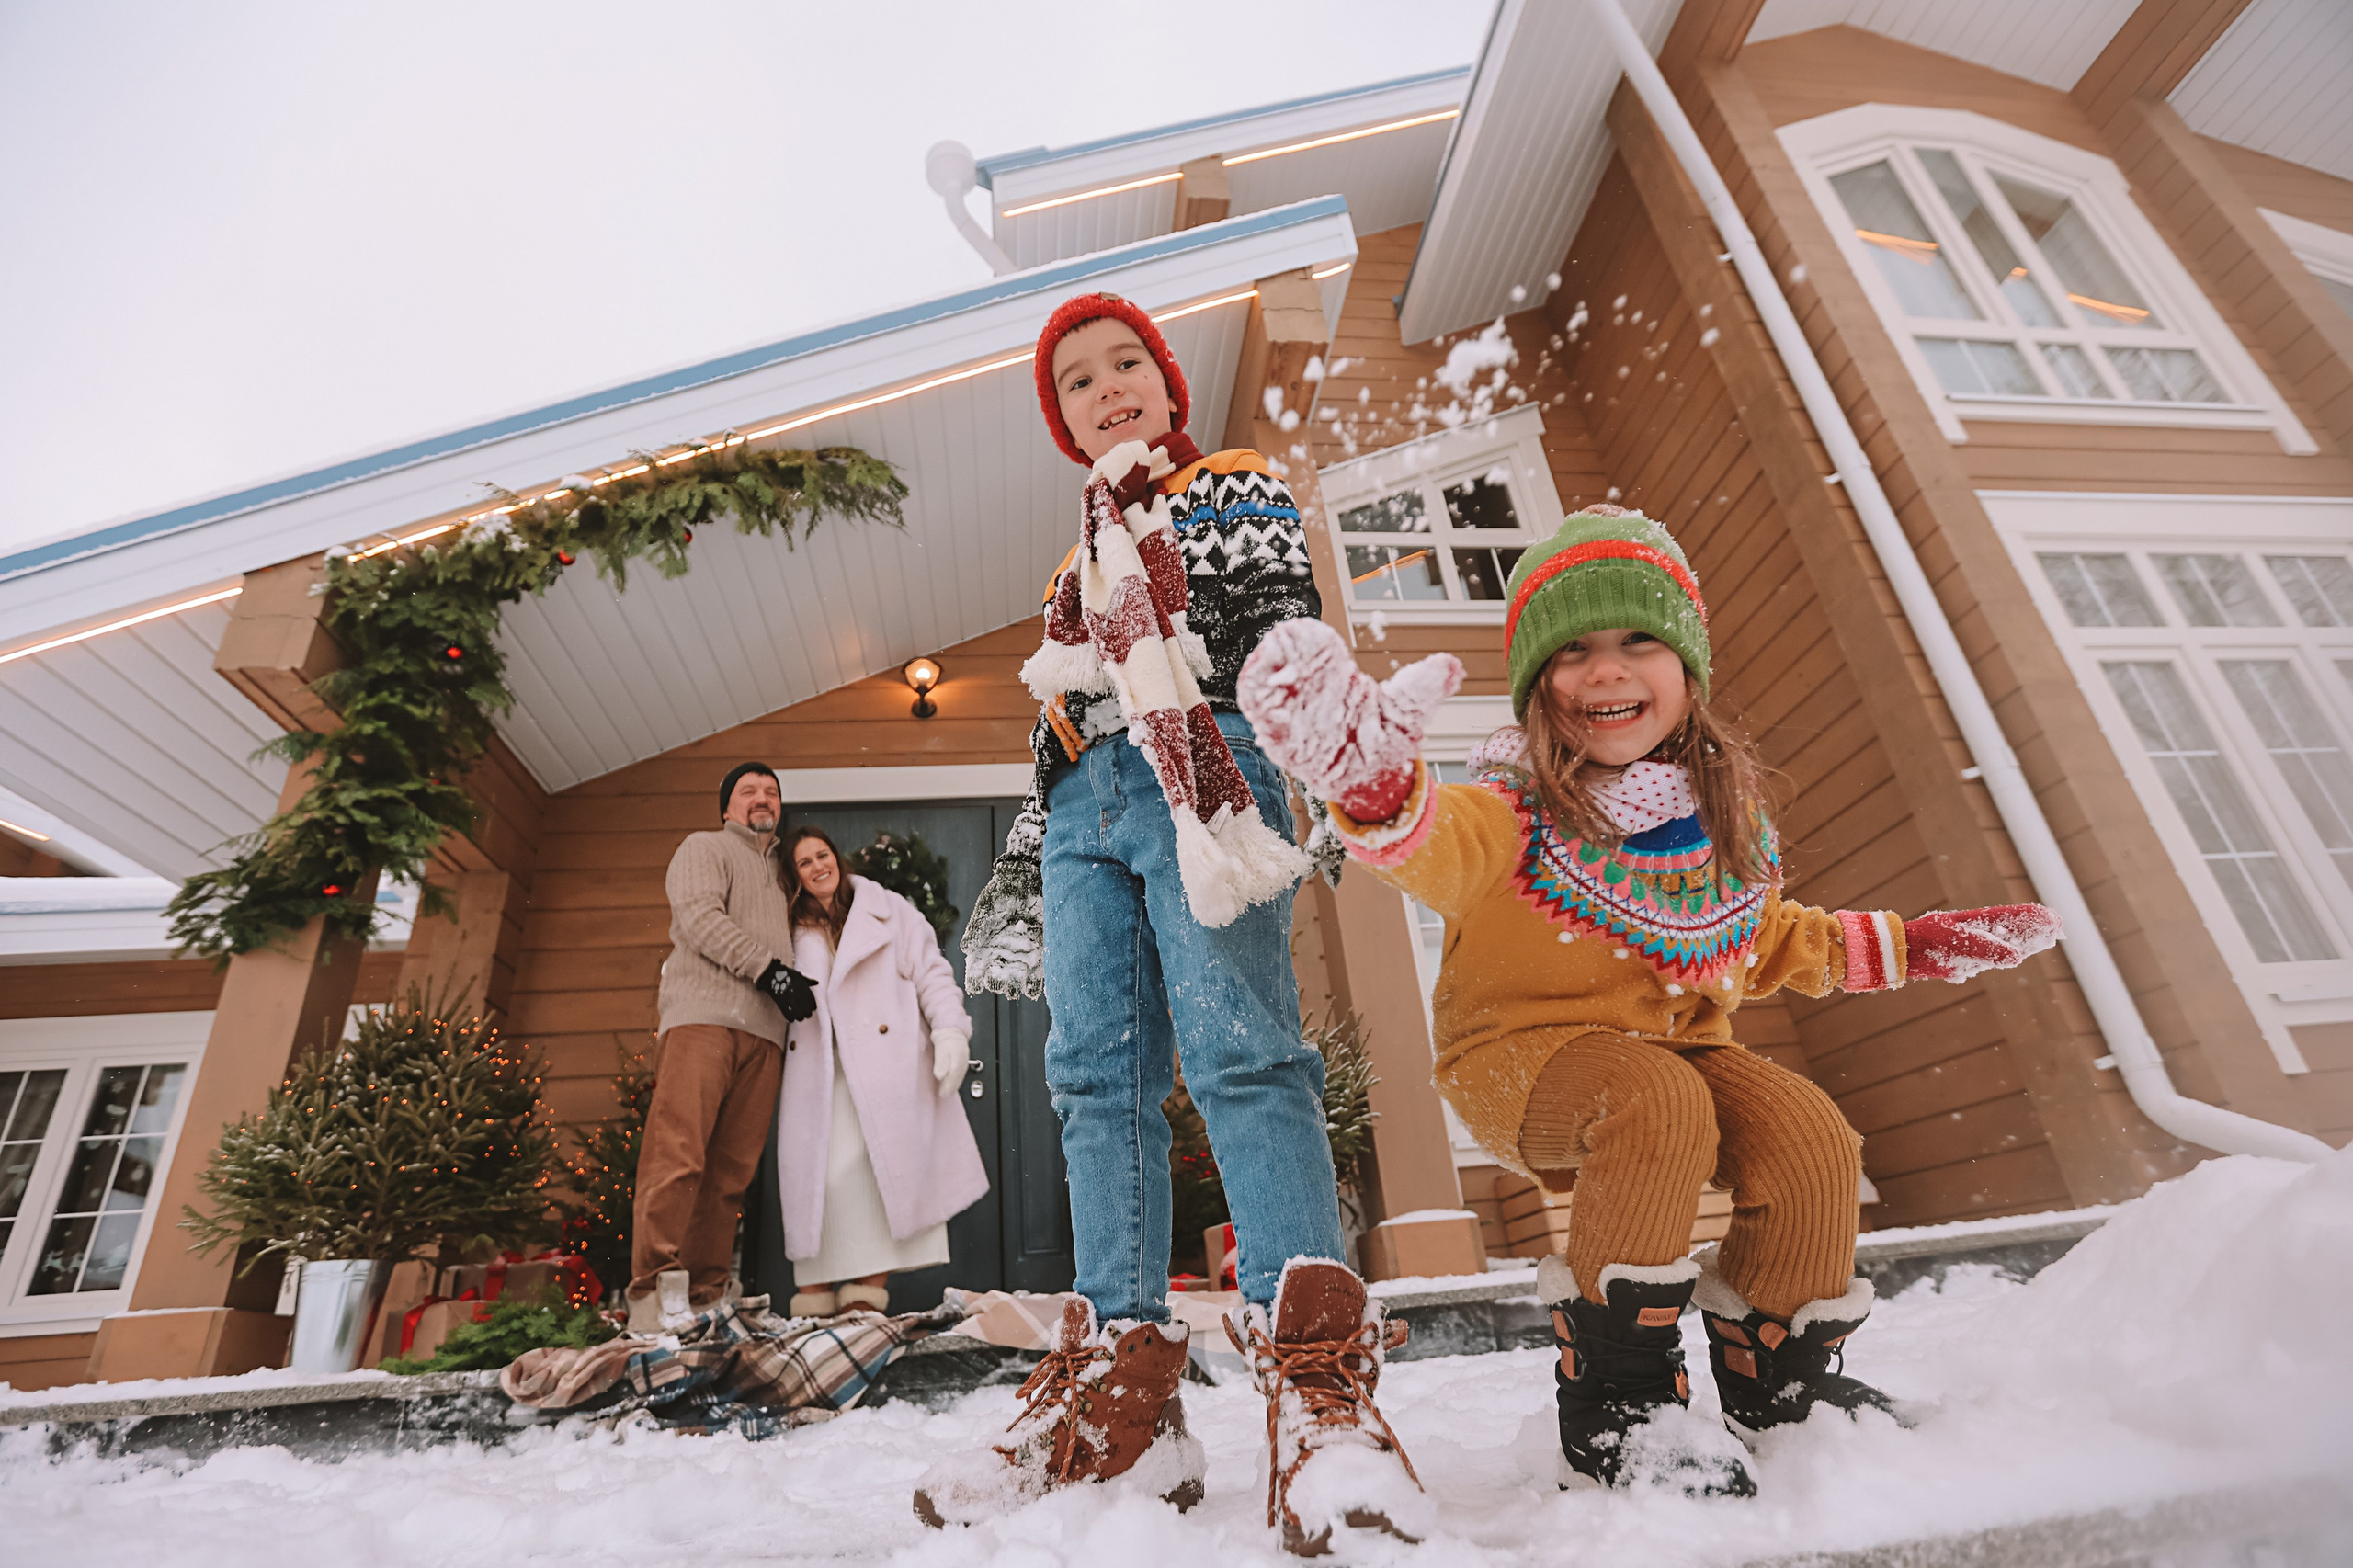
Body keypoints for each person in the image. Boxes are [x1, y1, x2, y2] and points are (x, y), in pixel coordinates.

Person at [1236, 506, 2063, 1496]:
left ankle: (1777, 1385)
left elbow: (1766, 942)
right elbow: (1432, 840)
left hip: (1681, 1057)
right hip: (1524, 1058)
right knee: (1654, 1097)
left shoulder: (1719, 829)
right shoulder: (1511, 814)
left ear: (1687, 671)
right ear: (1538, 684)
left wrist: (1914, 944)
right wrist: (1374, 787)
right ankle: (1618, 1401)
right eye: (1573, 649)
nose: (1606, 669)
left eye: (1638, 641)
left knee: (1809, 1133)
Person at [926, 293, 1427, 1556]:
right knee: (1094, 1078)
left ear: (1167, 380)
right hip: (1086, 809)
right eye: (1080, 381)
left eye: (1127, 364)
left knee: (1242, 1048)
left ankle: (1320, 1387)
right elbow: (1056, 723)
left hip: (1203, 766)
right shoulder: (1069, 564)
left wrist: (1325, 757)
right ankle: (1125, 1397)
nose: (1109, 390)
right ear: (1063, 418)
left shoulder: (1234, 486)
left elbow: (1278, 647)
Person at [629, 762, 819, 1333]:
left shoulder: (787, 876)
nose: (762, 799)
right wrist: (770, 971)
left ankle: (708, 1294)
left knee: (730, 1173)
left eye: (772, 792)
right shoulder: (705, 847)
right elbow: (698, 919)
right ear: (727, 808)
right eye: (748, 792)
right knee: (679, 1153)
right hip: (704, 1020)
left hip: (765, 1034)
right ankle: (651, 1293)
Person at [774, 825, 987, 1317]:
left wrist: (950, 1031)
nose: (816, 867)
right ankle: (814, 1310)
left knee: (882, 1179)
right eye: (803, 863)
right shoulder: (788, 928)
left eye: (821, 855)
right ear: (795, 876)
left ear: (837, 858)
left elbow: (933, 974)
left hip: (887, 1075)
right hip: (821, 1080)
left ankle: (865, 1307)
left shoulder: (890, 912)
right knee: (823, 1191)